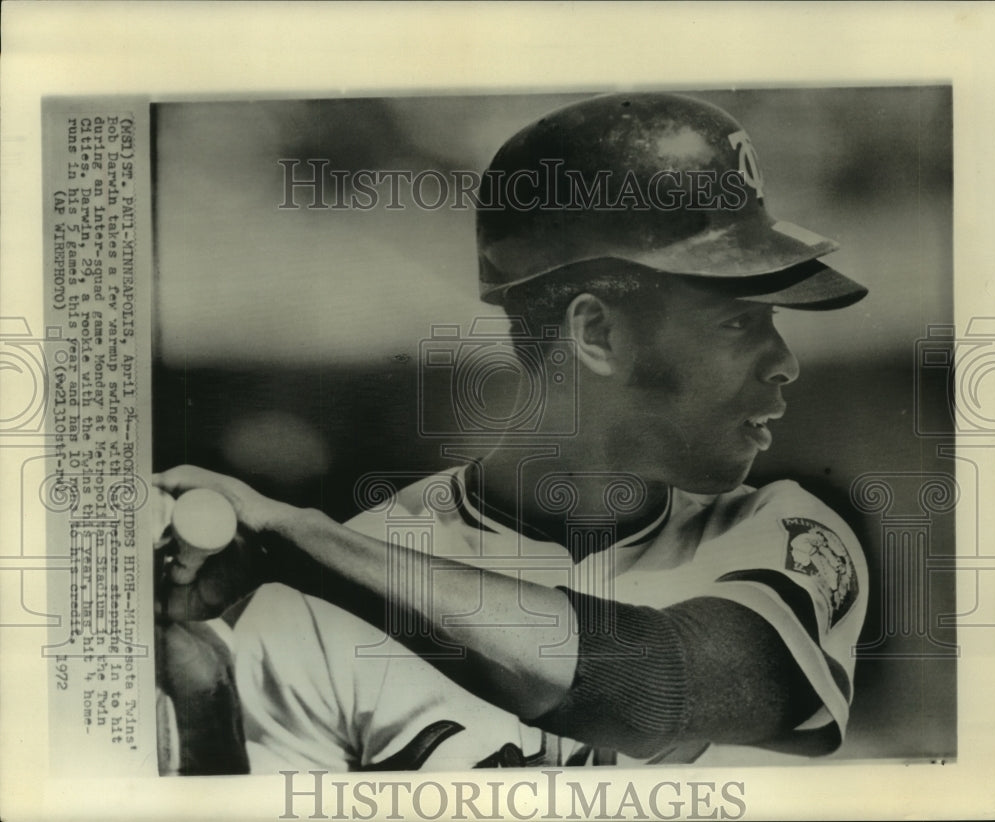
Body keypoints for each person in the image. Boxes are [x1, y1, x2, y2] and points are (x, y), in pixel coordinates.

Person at [154, 92, 869, 772]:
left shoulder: (792, 537)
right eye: (740, 321)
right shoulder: (311, 611)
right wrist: (208, 706)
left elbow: (657, 687)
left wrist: (299, 540)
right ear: (597, 334)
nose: (785, 363)